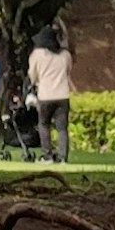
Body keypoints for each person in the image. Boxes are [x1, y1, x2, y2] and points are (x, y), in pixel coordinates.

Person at [28, 22, 73, 164]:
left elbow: (32, 74)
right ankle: (63, 157)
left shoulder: (37, 54)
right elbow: (68, 71)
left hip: (45, 95)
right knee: (62, 128)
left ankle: (47, 155)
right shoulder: (65, 55)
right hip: (63, 95)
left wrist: (35, 83)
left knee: (44, 124)